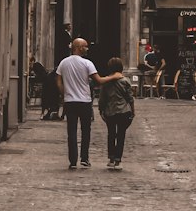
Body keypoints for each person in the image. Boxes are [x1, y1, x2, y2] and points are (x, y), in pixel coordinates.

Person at [55, 37, 119, 169]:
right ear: (78, 48)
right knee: (86, 131)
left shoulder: (63, 63)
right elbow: (99, 81)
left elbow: (58, 81)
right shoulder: (87, 63)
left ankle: (73, 161)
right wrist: (114, 76)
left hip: (70, 101)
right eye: (85, 46)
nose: (87, 48)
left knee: (71, 131)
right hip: (84, 101)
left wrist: (64, 93)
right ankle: (84, 158)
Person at [98, 56, 136, 169]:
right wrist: (133, 110)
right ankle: (118, 158)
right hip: (124, 111)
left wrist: (101, 110)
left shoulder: (106, 82)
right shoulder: (125, 81)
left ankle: (111, 158)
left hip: (110, 111)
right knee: (121, 135)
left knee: (111, 134)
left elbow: (102, 98)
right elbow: (130, 98)